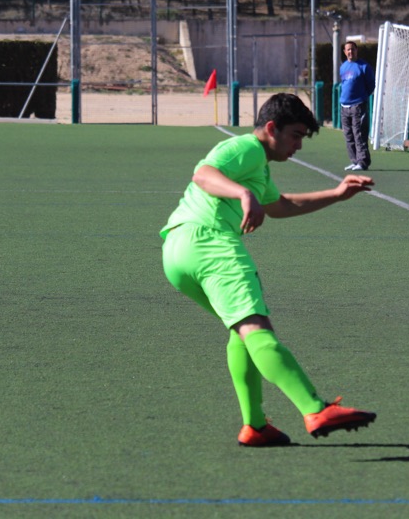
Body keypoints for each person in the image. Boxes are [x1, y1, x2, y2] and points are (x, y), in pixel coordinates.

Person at [161, 93, 377, 447]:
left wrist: (336, 194)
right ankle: (314, 408)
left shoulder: (258, 165)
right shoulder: (246, 148)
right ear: (271, 128)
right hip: (209, 243)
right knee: (256, 328)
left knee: (242, 332)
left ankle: (255, 425)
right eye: (295, 135)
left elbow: (279, 205)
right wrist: (243, 195)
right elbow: (203, 174)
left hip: (179, 253)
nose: (298, 145)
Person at [339, 41, 375, 171]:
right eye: (348, 50)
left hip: (358, 106)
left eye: (352, 49)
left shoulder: (364, 67)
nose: (350, 52)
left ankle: (363, 162)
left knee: (359, 134)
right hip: (344, 106)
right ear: (344, 52)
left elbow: (371, 85)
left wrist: (362, 98)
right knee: (348, 135)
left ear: (356, 50)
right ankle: (354, 161)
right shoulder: (343, 67)